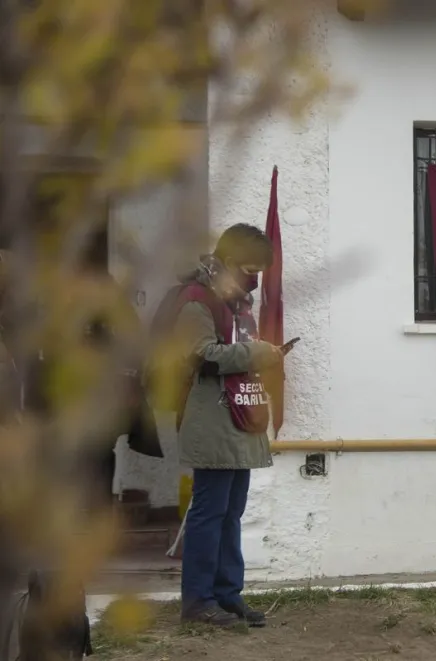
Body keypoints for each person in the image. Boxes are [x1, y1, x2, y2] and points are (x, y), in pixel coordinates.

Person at [174, 223, 284, 627]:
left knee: (233, 509)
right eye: (251, 268)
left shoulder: (238, 303)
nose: (255, 278)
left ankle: (227, 594)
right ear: (231, 261)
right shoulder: (197, 299)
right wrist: (255, 353)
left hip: (239, 413)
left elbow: (238, 349)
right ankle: (198, 601)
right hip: (212, 416)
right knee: (210, 510)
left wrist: (259, 353)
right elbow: (200, 355)